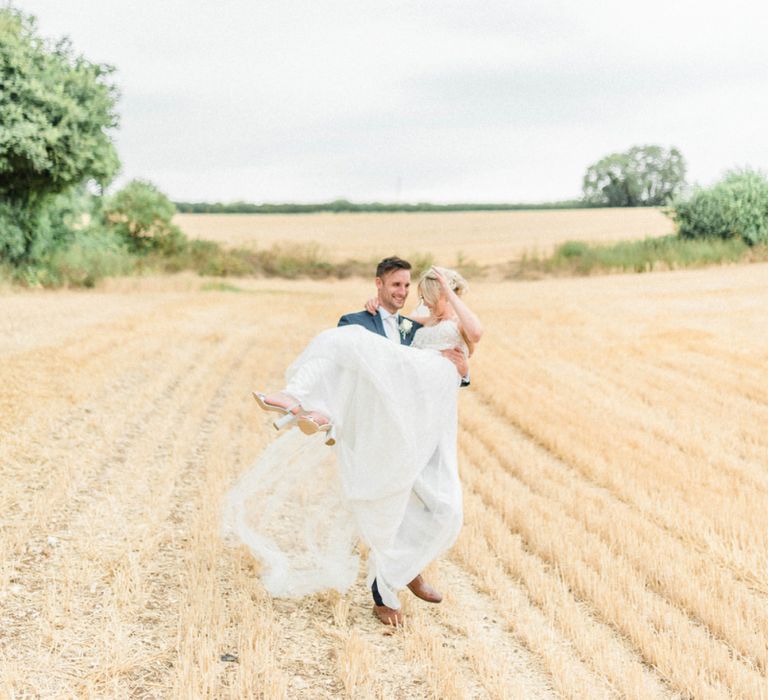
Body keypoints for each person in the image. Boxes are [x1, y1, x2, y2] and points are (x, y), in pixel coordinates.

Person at [223, 262, 482, 626]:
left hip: (424, 425)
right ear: (378, 285)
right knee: (342, 342)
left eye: (412, 288)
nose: (407, 295)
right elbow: (353, 369)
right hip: (382, 428)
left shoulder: (420, 324)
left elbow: (464, 344)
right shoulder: (361, 320)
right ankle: (304, 402)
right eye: (398, 286)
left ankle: (404, 569)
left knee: (444, 507)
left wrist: (462, 365)